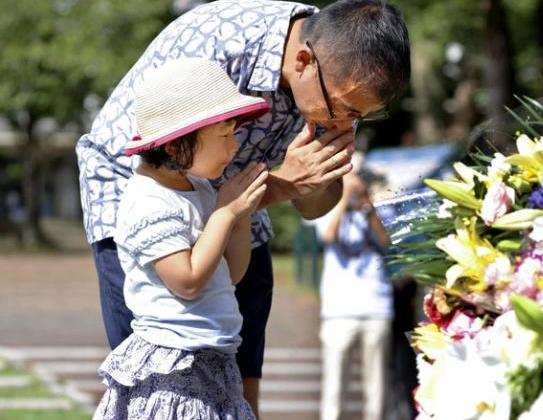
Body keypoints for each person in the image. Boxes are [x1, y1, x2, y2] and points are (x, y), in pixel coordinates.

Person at [76, 0, 410, 415]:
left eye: (360, 116)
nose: (345, 123)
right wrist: (276, 185)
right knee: (163, 367)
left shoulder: (336, 78)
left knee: (240, 352)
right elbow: (162, 162)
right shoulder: (220, 46)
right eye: (343, 109)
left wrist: (307, 179)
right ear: (304, 61)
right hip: (138, 182)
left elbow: (314, 206)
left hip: (234, 197)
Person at [94, 58, 268, 419]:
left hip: (214, 358)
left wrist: (240, 216)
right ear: (175, 145)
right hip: (173, 368)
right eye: (224, 135)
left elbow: (228, 274)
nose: (233, 147)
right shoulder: (149, 201)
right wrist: (224, 214)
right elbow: (186, 281)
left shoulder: (200, 188)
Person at [315, 171, 394, 420]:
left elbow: (386, 242)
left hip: (377, 307)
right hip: (338, 311)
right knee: (334, 386)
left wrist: (368, 206)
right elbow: (328, 236)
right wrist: (344, 199)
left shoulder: (376, 209)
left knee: (376, 385)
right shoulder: (325, 208)